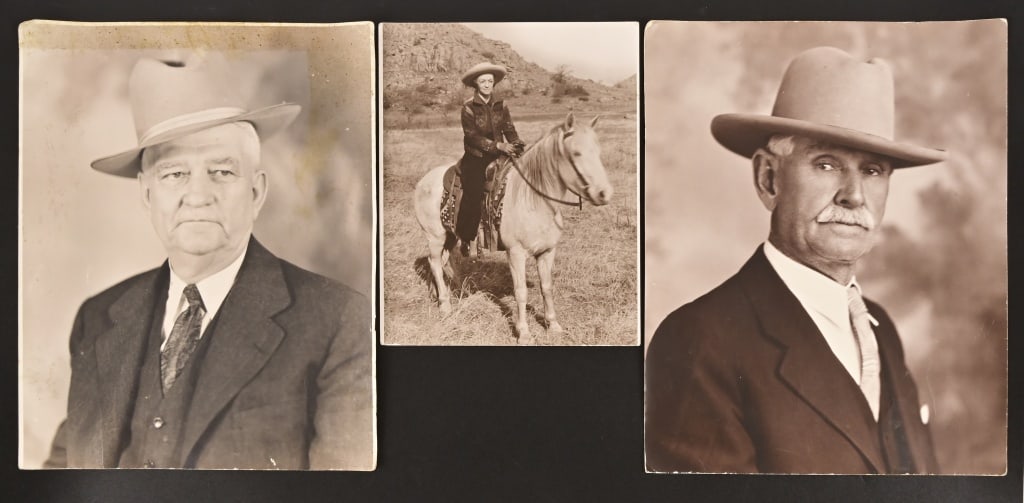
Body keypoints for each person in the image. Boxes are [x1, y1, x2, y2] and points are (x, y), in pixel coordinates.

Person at [43, 55, 373, 470]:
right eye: (173, 174)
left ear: (256, 192)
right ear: (147, 195)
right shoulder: (98, 318)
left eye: (220, 171)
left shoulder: (338, 320)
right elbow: (58, 480)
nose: (197, 195)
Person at [645, 46, 945, 474]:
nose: (854, 195)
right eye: (826, 164)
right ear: (769, 179)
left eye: (873, 171)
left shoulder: (882, 330)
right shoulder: (702, 339)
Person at [456, 62, 523, 256]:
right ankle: (466, 236)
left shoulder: (501, 104)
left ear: (494, 84)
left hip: (500, 155)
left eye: (490, 81)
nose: (487, 84)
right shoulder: (468, 107)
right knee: (474, 191)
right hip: (476, 156)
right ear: (476, 83)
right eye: (483, 81)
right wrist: (498, 146)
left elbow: (509, 129)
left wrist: (517, 145)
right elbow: (472, 136)